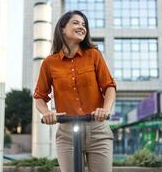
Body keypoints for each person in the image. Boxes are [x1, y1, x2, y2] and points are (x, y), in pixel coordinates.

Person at [34, 10, 116, 172]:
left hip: (97, 130)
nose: (81, 27)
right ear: (62, 29)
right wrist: (46, 113)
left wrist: (105, 110)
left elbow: (109, 87)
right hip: (67, 133)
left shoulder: (93, 55)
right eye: (76, 23)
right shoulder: (49, 63)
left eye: (84, 24)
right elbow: (39, 97)